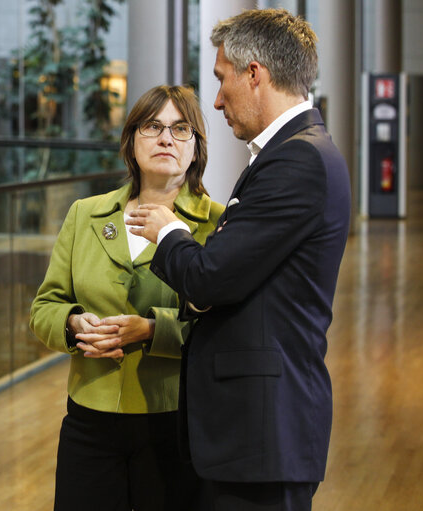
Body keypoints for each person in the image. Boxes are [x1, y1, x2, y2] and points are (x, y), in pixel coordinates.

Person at [125, 9, 351, 511]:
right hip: (255, 434)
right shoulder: (292, 153)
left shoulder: (298, 158)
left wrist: (169, 232)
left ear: (255, 74)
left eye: (222, 79)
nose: (218, 99)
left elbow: (209, 278)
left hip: (262, 434)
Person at [30, 85, 223, 511]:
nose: (166, 139)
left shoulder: (216, 223)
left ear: (196, 148)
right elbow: (45, 306)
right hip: (89, 417)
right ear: (131, 141)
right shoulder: (86, 214)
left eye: (181, 129)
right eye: (152, 126)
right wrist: (74, 322)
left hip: (174, 421)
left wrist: (153, 331)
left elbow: (223, 326)